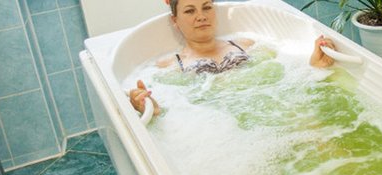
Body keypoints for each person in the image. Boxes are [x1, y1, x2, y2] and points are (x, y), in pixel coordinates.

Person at [129, 0, 336, 116]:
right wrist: (153, 109)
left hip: (276, 109)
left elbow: (288, 77)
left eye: (207, 7)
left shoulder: (247, 44)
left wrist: (315, 67)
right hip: (227, 123)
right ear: (175, 20)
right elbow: (178, 113)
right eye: (190, 11)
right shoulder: (169, 66)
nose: (201, 16)